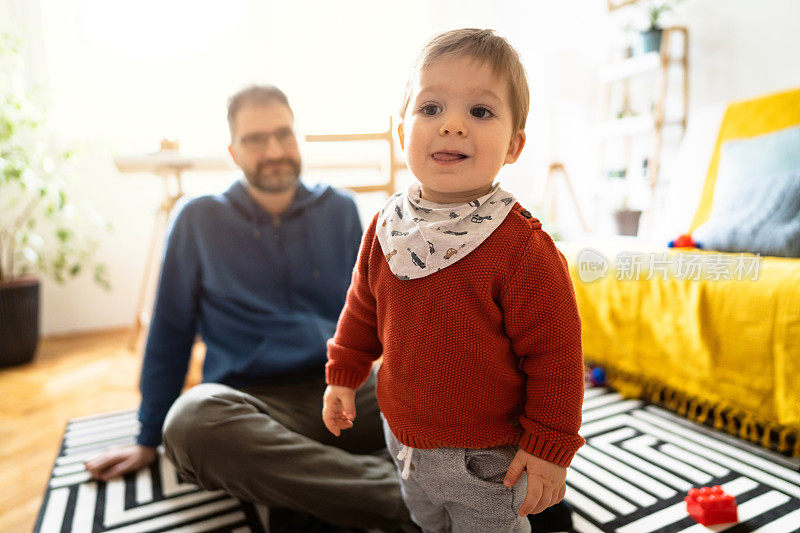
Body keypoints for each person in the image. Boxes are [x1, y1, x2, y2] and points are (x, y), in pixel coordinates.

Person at [84, 85, 410, 531]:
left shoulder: (342, 208)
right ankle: (406, 498)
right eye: (256, 139)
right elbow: (169, 331)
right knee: (189, 423)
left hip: (346, 393)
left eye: (284, 134)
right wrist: (146, 435)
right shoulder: (196, 219)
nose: (274, 150)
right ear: (233, 152)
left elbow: (379, 318)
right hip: (253, 406)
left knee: (451, 391)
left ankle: (308, 485)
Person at [322, 29, 585, 533]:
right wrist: (343, 374)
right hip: (403, 440)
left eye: (480, 112)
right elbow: (361, 309)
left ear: (514, 145)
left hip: (487, 458)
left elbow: (557, 356)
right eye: (431, 109)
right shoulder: (386, 227)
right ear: (403, 131)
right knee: (428, 522)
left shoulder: (522, 248)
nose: (452, 126)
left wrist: (550, 447)